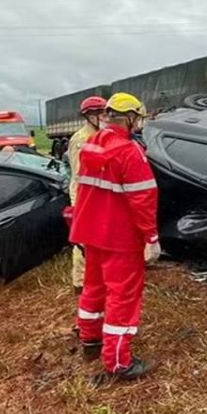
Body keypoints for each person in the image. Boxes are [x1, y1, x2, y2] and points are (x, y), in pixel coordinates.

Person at [70, 92, 160, 382]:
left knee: (93, 289)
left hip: (91, 231)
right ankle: (118, 361)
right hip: (120, 237)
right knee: (123, 296)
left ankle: (90, 340)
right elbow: (143, 199)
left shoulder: (92, 144)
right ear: (131, 117)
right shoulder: (129, 152)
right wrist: (151, 238)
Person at [65, 96, 108, 294]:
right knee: (83, 241)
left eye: (103, 112)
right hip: (84, 194)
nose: (101, 116)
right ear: (88, 116)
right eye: (96, 113)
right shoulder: (81, 139)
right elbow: (80, 173)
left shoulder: (104, 134)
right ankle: (80, 282)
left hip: (100, 193)